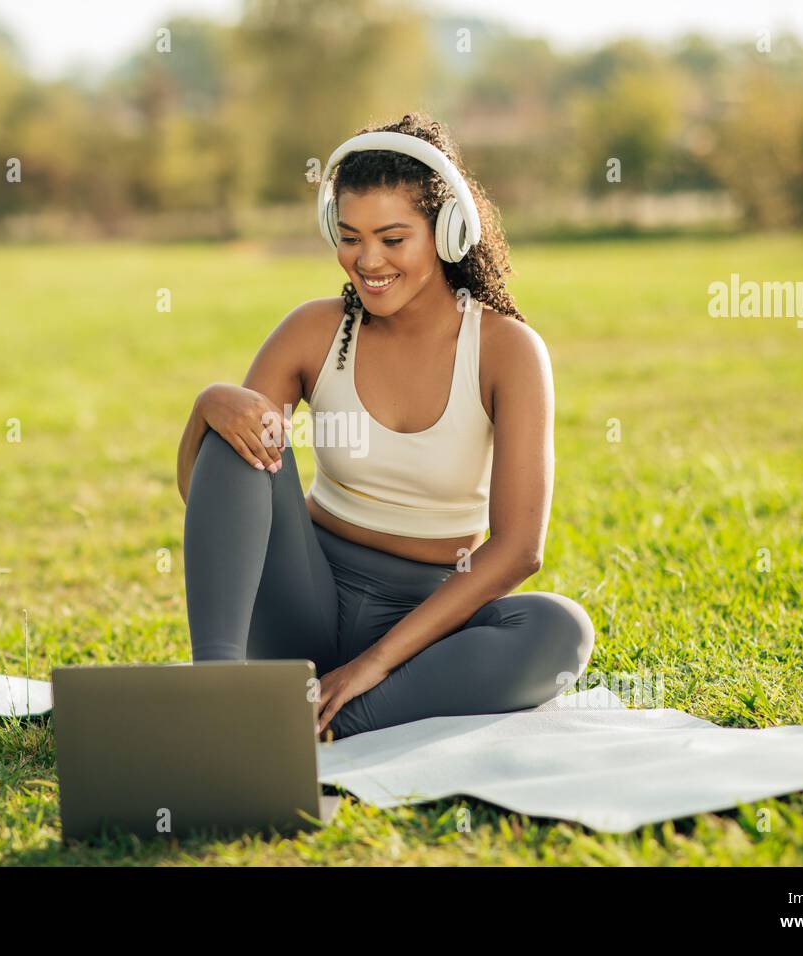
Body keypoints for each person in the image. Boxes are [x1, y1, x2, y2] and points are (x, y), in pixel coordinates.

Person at [176, 112, 594, 740]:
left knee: (559, 631)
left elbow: (517, 551)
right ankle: (218, 695)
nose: (367, 260)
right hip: (302, 597)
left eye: (393, 239)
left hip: (429, 620)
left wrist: (373, 665)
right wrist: (208, 405)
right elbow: (219, 491)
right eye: (349, 237)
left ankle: (330, 721)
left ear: (448, 233)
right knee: (245, 418)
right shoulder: (312, 331)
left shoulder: (508, 351)